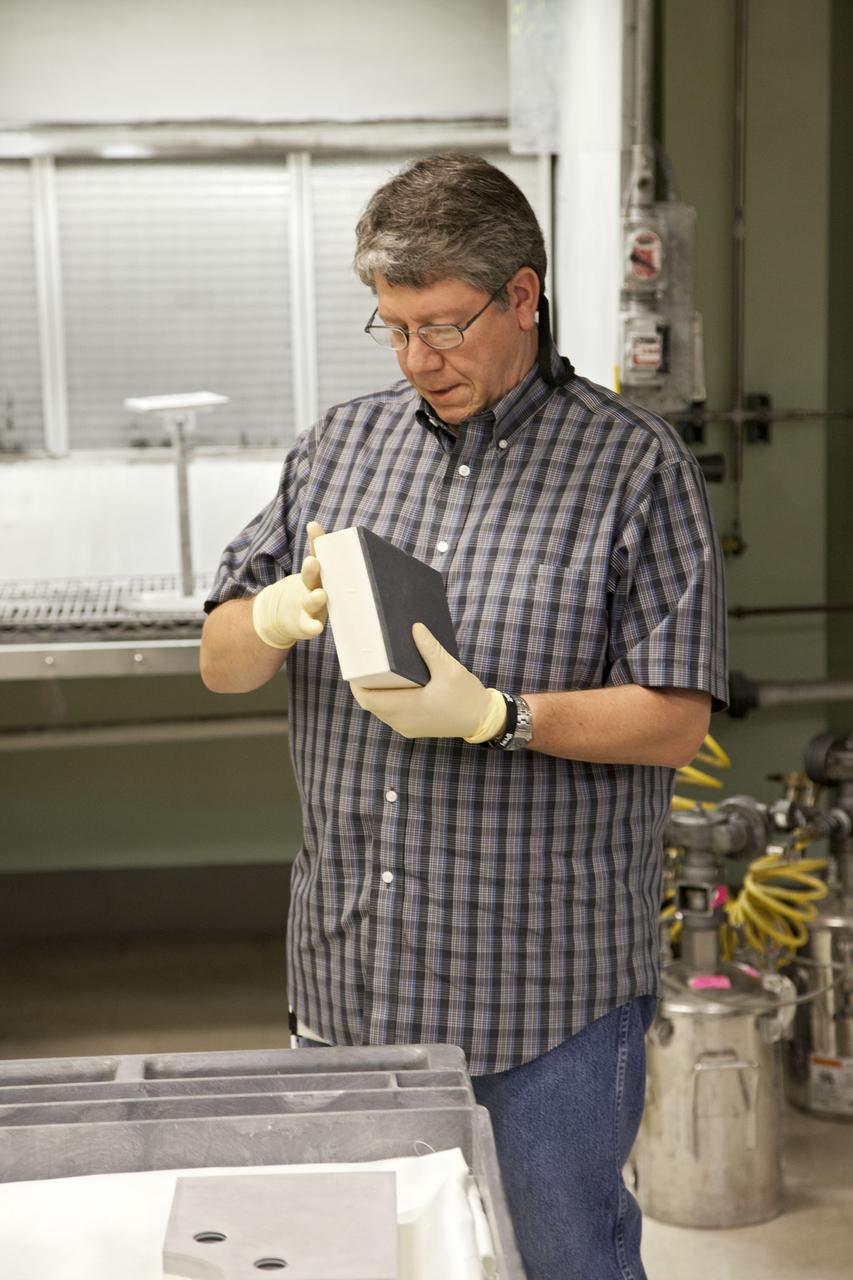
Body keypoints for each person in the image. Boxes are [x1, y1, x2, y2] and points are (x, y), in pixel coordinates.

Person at [201, 152, 728, 1280]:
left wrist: (501, 715)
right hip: (350, 984)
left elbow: (675, 717)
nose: (417, 359)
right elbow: (219, 661)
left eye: (441, 325)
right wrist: (281, 612)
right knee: (360, 1257)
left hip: (544, 1001)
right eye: (390, 327)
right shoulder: (339, 447)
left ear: (523, 296)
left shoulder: (634, 470)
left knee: (565, 1258)